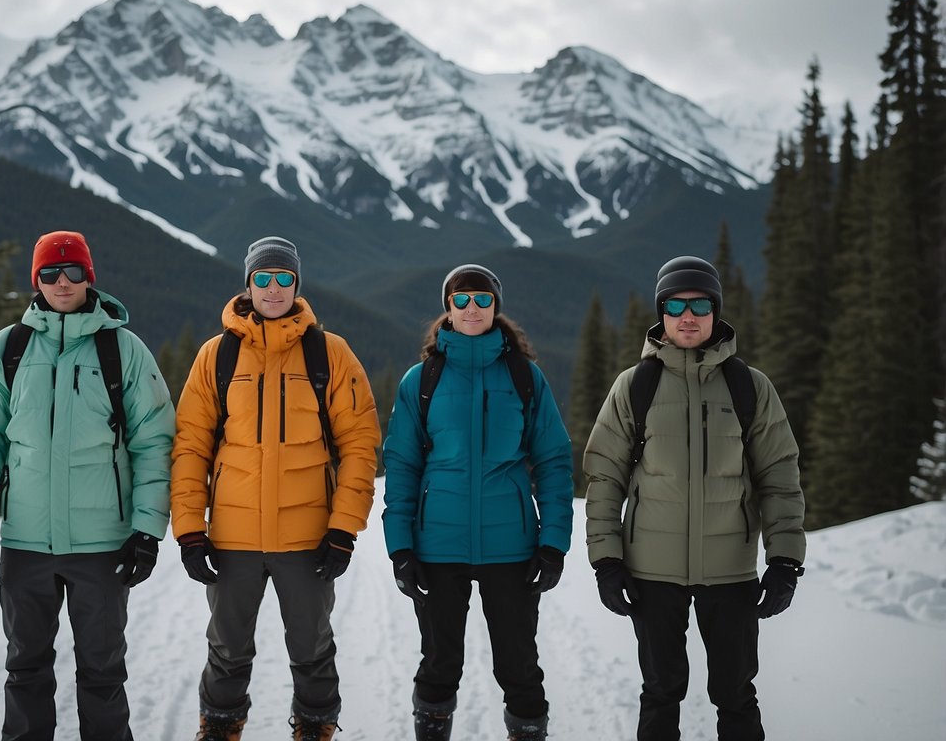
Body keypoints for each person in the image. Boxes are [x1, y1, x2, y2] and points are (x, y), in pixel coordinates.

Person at [0, 230, 176, 741]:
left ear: (89, 276)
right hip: (26, 543)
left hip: (103, 546)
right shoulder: (8, 349)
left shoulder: (123, 350)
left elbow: (155, 444)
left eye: (73, 271)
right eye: (50, 272)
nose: (62, 281)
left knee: (103, 675)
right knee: (24, 671)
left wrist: (147, 530)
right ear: (37, 280)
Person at [583, 255, 806, 741]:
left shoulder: (750, 387)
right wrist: (607, 561)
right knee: (661, 691)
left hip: (731, 570)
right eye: (676, 305)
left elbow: (779, 477)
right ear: (661, 313)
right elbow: (605, 479)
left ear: (715, 312)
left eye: (699, 304)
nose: (688, 315)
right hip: (651, 571)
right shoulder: (635, 385)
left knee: (736, 693)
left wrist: (785, 560)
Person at [170, 236, 382, 741]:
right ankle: (219, 728)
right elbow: (190, 447)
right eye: (262, 277)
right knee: (227, 648)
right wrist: (188, 530)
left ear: (296, 285)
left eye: (283, 278)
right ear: (248, 283)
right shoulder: (216, 356)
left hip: (307, 536)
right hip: (232, 536)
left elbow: (359, 446)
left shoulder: (329, 354)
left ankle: (315, 729)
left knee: (311, 648)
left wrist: (343, 529)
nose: (272, 288)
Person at [381, 264, 574, 741]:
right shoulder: (421, 379)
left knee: (519, 666)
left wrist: (554, 543)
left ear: (496, 307)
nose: (472, 308)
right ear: (447, 307)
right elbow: (402, 465)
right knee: (440, 662)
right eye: (461, 299)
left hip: (511, 546)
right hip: (438, 545)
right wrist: (400, 547)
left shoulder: (524, 378)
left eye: (482, 299)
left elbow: (553, 461)